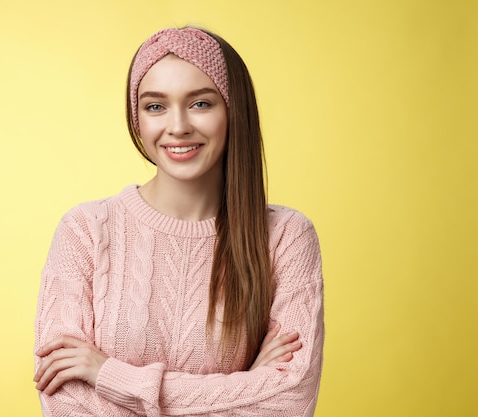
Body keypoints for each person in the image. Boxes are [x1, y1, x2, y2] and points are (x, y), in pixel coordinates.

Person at [33, 27, 324, 416]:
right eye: (156, 106)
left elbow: (288, 402)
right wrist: (248, 384)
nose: (178, 126)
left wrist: (110, 375)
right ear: (137, 119)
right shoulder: (86, 230)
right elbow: (67, 403)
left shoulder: (286, 238)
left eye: (201, 104)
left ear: (234, 110)